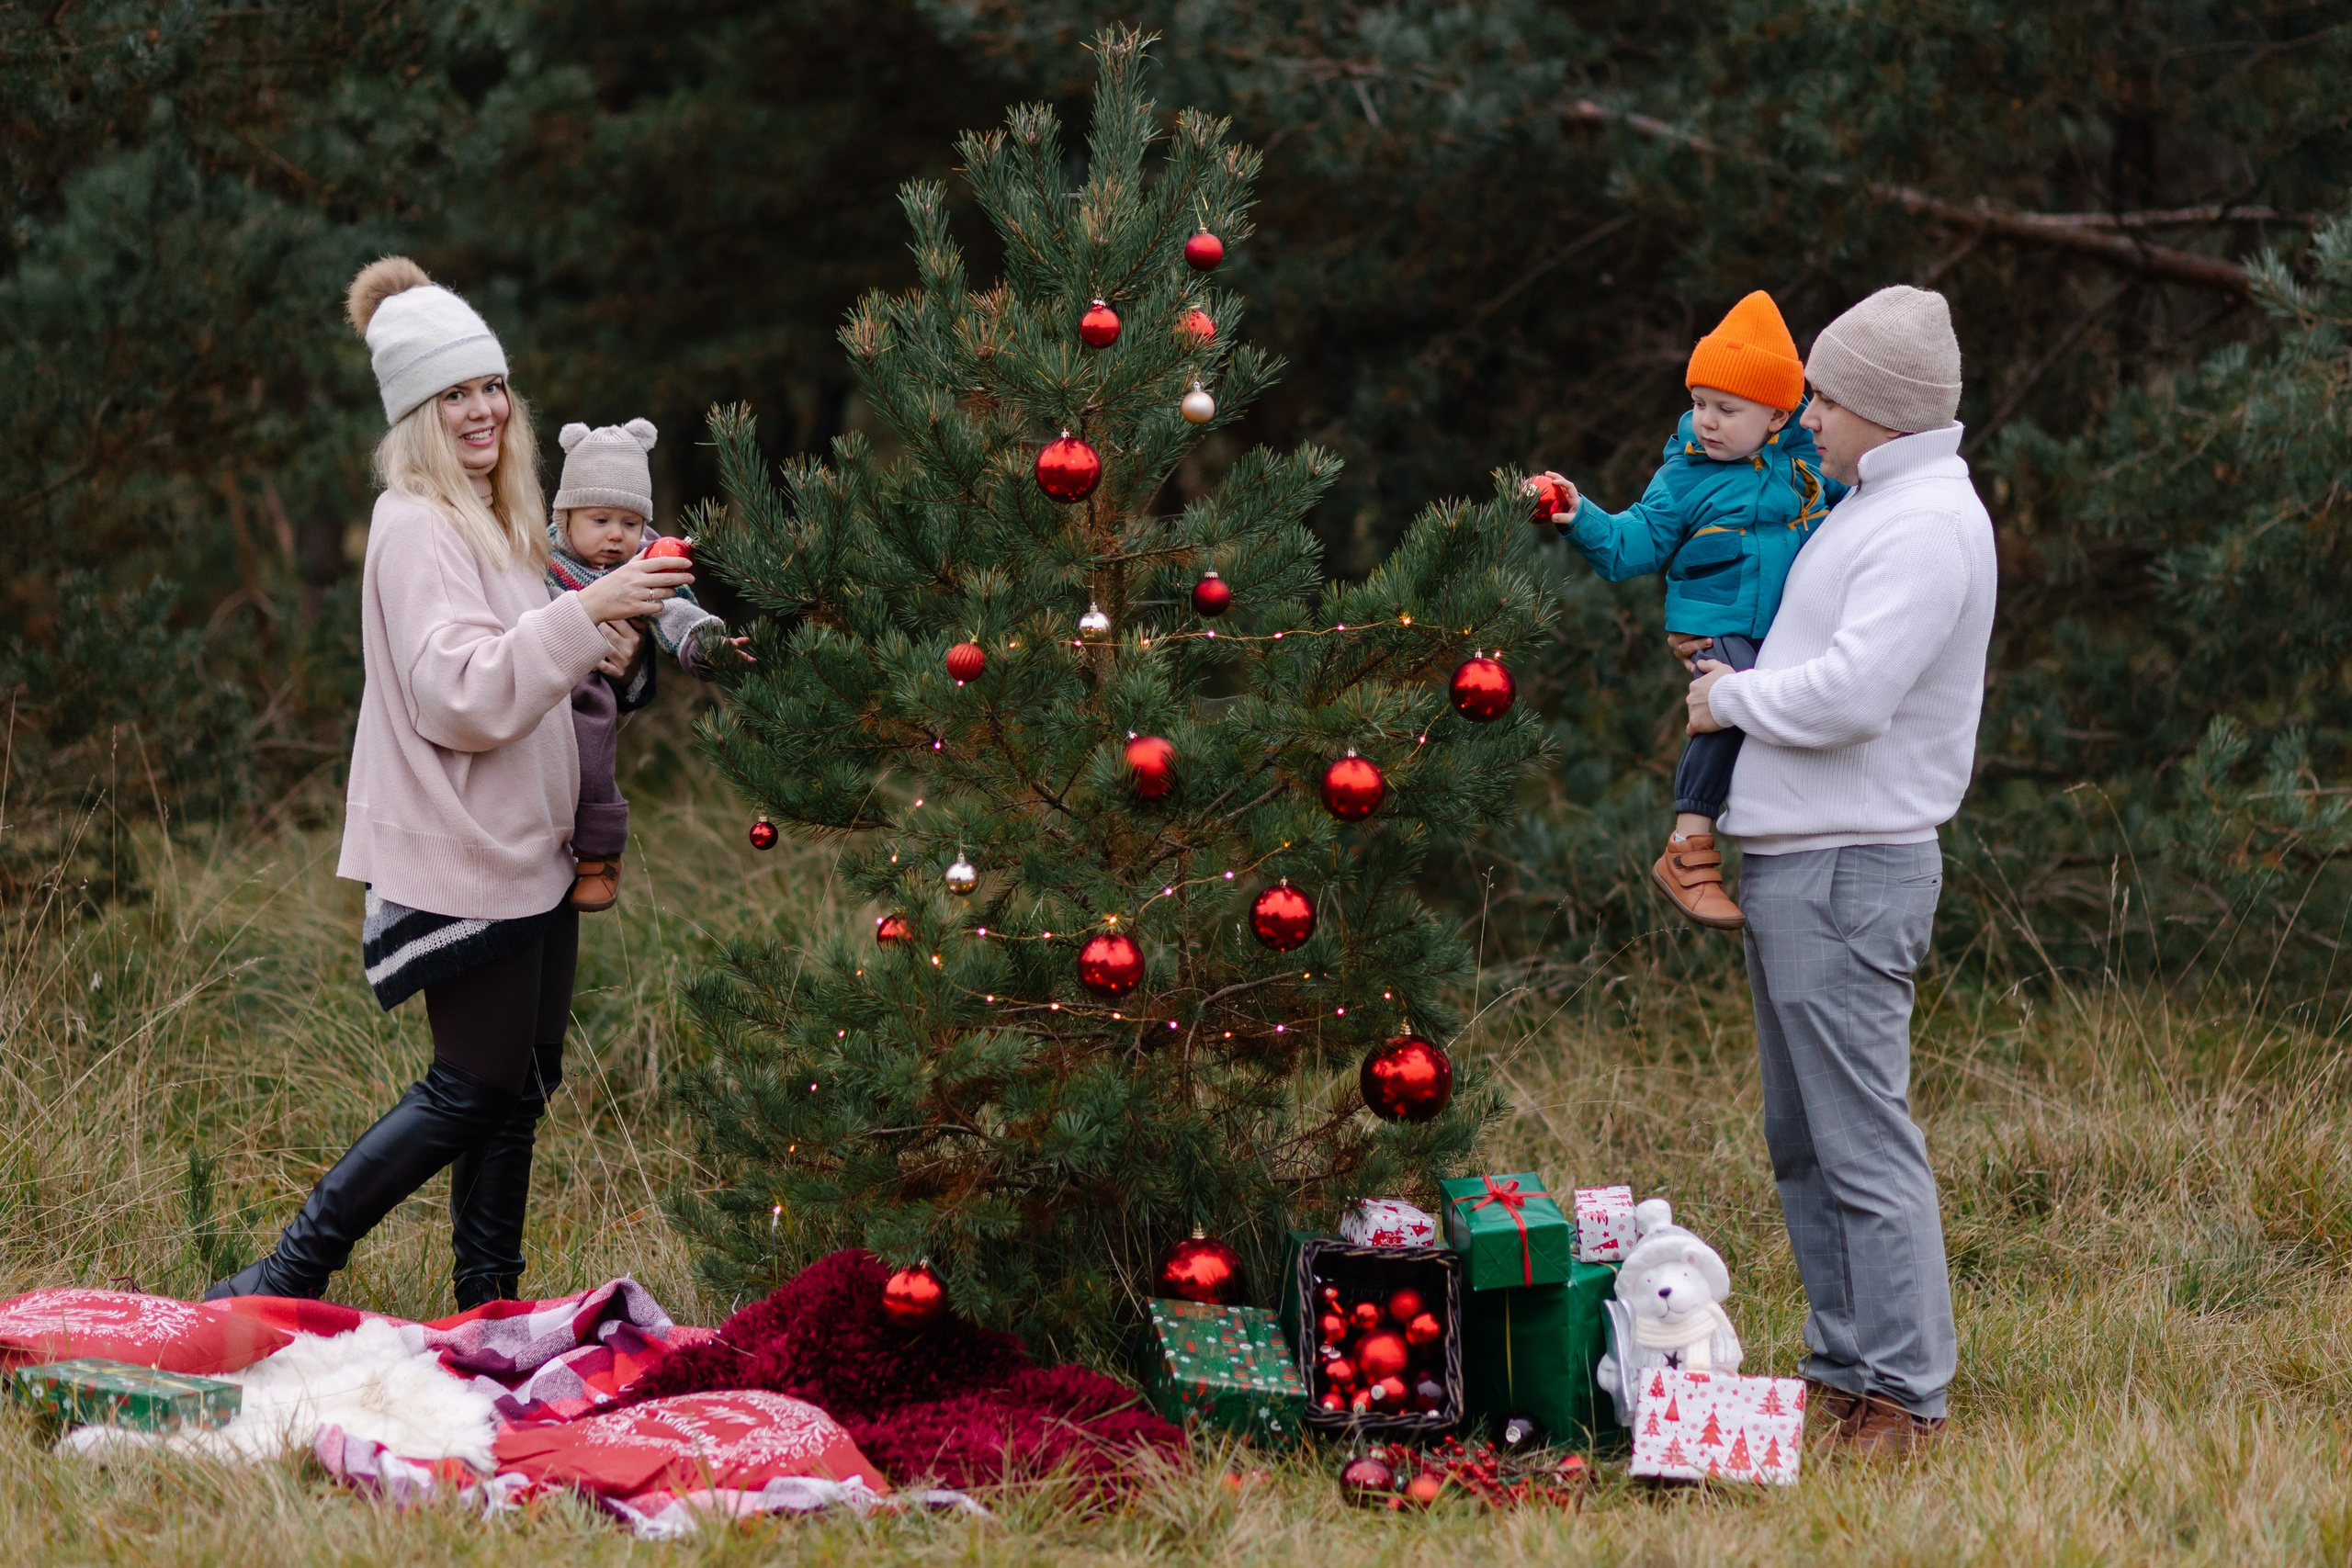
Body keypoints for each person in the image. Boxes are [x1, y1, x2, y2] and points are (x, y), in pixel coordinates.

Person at [208, 257, 693, 1309]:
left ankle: (488, 1304)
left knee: (521, 1087)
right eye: (451, 395)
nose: (479, 411)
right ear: (416, 415)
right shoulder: (418, 521)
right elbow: (458, 696)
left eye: (488, 386)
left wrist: (611, 644)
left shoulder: (502, 516)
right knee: (472, 1083)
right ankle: (288, 1272)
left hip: (538, 844)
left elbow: (544, 662)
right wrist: (582, 612)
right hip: (464, 847)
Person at [1683, 284, 1996, 1455]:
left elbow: (1857, 695)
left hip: (1850, 870)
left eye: (1822, 393)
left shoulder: (1924, 526)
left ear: (1878, 406)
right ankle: (1843, 1370)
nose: (1804, 412)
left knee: (1861, 1139)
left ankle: (1906, 1395)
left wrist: (1728, 697)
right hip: (1799, 866)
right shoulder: (1871, 507)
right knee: (1803, 1139)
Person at [1536, 291, 1845, 931]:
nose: (1706, 420)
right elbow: (1630, 545)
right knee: (1727, 707)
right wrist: (1580, 515)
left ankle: (1793, 833)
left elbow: (1861, 490)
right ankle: (1688, 847)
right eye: (1700, 402)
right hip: (1714, 621)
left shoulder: (1809, 465)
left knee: (1789, 714)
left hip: (1784, 625)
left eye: (1727, 409)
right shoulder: (1685, 478)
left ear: (1778, 415)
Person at [541, 419, 742, 911]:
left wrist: (706, 646)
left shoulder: (645, 570)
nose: (616, 536)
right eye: (601, 520)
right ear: (566, 516)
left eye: (630, 524)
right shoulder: (536, 557)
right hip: (530, 680)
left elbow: (677, 612)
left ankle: (599, 850)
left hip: (588, 686)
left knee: (591, 727)